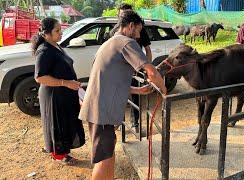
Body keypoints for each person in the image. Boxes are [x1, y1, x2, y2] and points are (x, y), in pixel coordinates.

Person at [78, 11, 166, 180]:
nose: (139, 36)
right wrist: (164, 90)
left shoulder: (110, 43)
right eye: (138, 30)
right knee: (103, 158)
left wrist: (137, 90)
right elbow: (151, 71)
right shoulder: (126, 43)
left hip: (99, 108)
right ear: (130, 26)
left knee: (108, 152)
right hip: (101, 111)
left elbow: (112, 81)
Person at [32, 17, 85, 165]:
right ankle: (59, 154)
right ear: (46, 34)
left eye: (60, 30)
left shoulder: (55, 45)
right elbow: (40, 77)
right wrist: (65, 83)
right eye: (57, 31)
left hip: (64, 93)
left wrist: (71, 84)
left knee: (65, 122)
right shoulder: (44, 51)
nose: (61, 33)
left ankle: (63, 150)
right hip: (54, 95)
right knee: (57, 124)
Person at [110, 3, 153, 129]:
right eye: (123, 14)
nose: (126, 15)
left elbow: (147, 49)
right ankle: (117, 122)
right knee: (118, 95)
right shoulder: (114, 32)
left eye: (128, 13)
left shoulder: (139, 30)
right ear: (119, 15)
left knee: (135, 96)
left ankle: (135, 123)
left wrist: (145, 68)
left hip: (135, 69)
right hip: (119, 71)